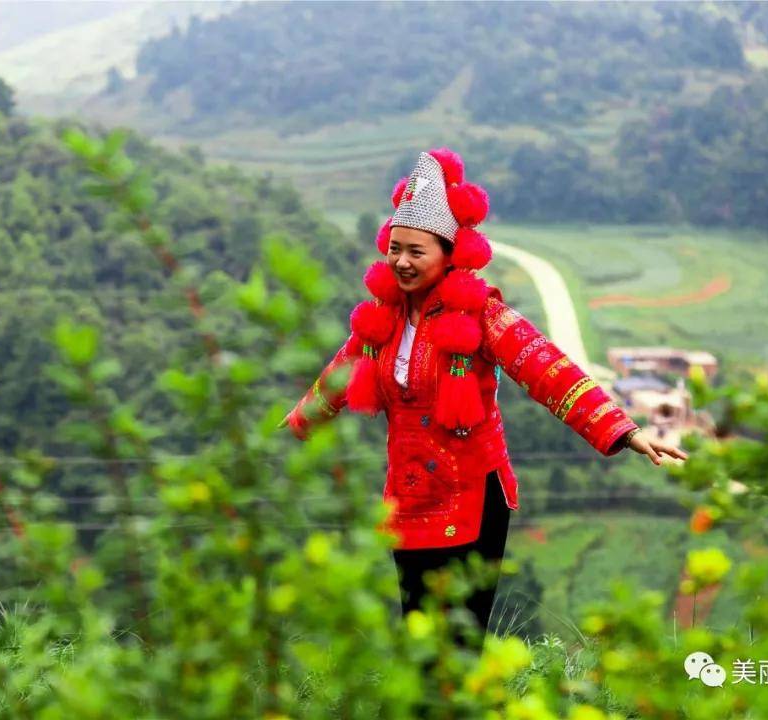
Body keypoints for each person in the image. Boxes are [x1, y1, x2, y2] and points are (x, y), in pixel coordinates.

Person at [279, 148, 688, 655]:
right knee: (420, 639)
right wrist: (296, 421)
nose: (402, 262)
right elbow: (340, 376)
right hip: (408, 497)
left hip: (471, 496)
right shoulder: (380, 325)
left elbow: (547, 369)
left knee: (457, 645)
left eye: (417, 251)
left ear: (449, 254)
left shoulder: (483, 317)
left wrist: (623, 430)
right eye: (396, 249)